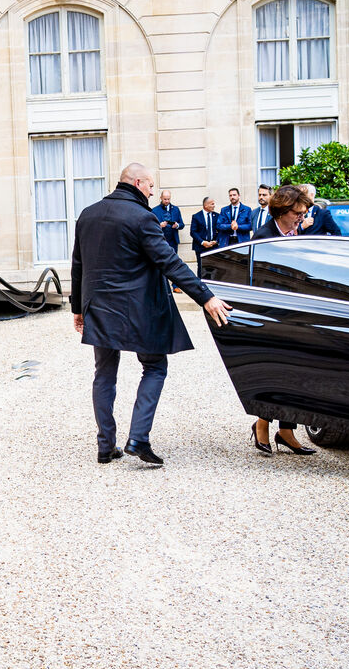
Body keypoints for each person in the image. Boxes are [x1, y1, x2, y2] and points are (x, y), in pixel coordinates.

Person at [71, 164, 232, 467]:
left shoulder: (88, 214)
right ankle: (138, 439)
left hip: (98, 307)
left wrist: (77, 309)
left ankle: (105, 446)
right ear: (137, 182)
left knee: (104, 373)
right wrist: (206, 298)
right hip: (136, 310)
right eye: (150, 185)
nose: (153, 192)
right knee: (155, 367)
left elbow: (77, 265)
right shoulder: (142, 217)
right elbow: (170, 262)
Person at [245, 185, 318, 456]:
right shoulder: (264, 236)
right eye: (297, 213)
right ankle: (262, 424)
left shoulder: (295, 233)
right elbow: (257, 281)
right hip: (272, 317)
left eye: (303, 213)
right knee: (276, 374)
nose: (301, 217)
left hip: (296, 316)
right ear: (281, 211)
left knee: (296, 374)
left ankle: (286, 430)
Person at [189, 196, 219, 275]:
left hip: (214, 246)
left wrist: (216, 241)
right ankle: (200, 283)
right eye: (212, 204)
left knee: (214, 268)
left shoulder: (217, 216)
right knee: (201, 268)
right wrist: (203, 242)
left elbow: (220, 231)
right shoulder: (196, 216)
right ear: (205, 205)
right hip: (201, 247)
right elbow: (193, 232)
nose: (214, 206)